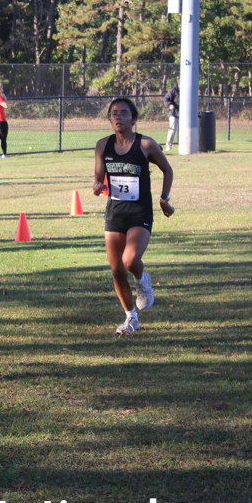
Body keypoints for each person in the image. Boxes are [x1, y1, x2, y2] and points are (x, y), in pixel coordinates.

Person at [93, 97, 174, 335]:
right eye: (114, 113)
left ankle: (141, 279)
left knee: (129, 261)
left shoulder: (146, 144)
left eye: (124, 113)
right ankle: (131, 318)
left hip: (140, 212)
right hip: (115, 213)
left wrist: (164, 199)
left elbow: (167, 169)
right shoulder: (102, 145)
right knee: (117, 270)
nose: (118, 117)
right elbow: (98, 178)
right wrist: (97, 186)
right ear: (110, 119)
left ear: (134, 118)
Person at [163, 81, 180, 151]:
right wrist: (170, 105)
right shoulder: (173, 90)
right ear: (179, 83)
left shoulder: (187, 91)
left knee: (183, 131)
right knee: (172, 130)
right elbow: (165, 99)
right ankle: (168, 146)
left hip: (184, 115)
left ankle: (182, 145)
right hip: (174, 114)